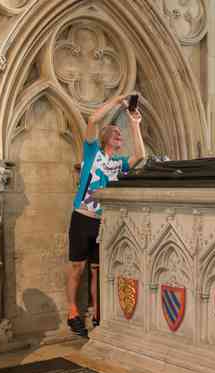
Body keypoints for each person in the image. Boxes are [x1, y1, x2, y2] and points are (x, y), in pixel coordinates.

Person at [66, 94, 146, 337]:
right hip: (83, 216)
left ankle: (96, 314)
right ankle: (72, 312)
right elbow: (93, 119)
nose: (118, 136)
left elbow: (140, 156)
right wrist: (118, 100)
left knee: (97, 269)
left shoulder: (119, 162)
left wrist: (134, 124)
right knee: (78, 266)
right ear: (103, 138)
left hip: (103, 221)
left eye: (120, 135)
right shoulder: (92, 152)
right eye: (115, 133)